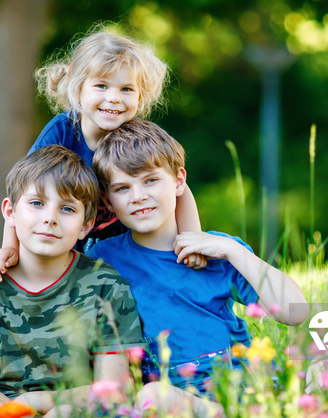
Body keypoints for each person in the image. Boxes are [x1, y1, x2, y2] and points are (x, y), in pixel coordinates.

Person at [87, 119, 310, 416]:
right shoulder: (105, 259)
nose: (138, 196)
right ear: (108, 200)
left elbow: (296, 312)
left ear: (179, 181)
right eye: (122, 188)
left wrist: (234, 251)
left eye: (150, 180)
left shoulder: (217, 250)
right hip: (170, 396)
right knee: (149, 397)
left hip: (237, 385)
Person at [0, 146, 144, 417]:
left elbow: (112, 391)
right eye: (37, 203)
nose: (50, 218)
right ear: (10, 212)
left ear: (86, 225)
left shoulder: (106, 285)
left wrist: (40, 402)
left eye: (66, 208)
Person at [0, 29, 206, 278]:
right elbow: (23, 189)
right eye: (101, 86)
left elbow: (178, 187)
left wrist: (192, 239)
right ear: (78, 88)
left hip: (125, 238)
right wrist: (10, 247)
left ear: (140, 94)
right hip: (69, 234)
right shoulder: (62, 132)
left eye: (126, 89)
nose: (114, 98)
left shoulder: (136, 138)